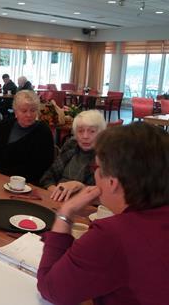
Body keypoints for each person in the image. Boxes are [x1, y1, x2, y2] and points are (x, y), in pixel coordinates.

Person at [37, 123, 169, 305]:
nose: (96, 174)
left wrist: (65, 212)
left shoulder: (114, 234)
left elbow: (50, 288)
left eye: (96, 168)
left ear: (113, 182)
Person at [0, 90, 54, 185]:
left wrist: (2, 174)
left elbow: (40, 167)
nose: (29, 115)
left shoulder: (43, 131)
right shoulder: (4, 125)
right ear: (15, 111)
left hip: (23, 184)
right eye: (24, 111)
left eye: (33, 110)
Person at [40, 110, 107, 201]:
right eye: (80, 131)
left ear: (101, 133)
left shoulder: (106, 157)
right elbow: (48, 177)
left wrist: (82, 187)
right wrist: (57, 192)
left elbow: (106, 195)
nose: (85, 136)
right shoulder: (71, 146)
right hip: (56, 201)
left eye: (92, 131)